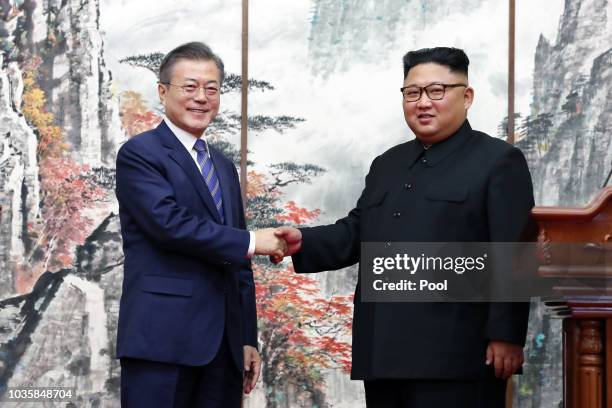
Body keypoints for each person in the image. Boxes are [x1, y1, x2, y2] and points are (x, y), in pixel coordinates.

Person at [274, 47, 534, 407]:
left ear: (467, 96)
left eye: (436, 91)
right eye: (412, 93)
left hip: (457, 356)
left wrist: (507, 334)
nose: (423, 102)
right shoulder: (387, 164)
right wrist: (302, 240)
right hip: (383, 353)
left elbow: (515, 253)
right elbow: (357, 231)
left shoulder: (498, 161)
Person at [115, 42, 285, 408]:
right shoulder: (140, 154)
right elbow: (169, 225)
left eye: (211, 88)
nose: (201, 98)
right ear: (163, 92)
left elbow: (237, 261)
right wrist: (255, 240)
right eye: (189, 87)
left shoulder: (222, 165)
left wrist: (246, 337)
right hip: (162, 342)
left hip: (223, 349)